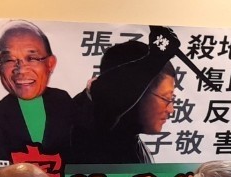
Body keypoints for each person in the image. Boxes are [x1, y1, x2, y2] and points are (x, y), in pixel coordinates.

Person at [71, 32, 179, 164]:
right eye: (166, 98)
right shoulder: (85, 128)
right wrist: (156, 56)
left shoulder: (134, 142)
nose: (171, 109)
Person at [0, 21, 75, 167]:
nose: (21, 70)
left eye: (32, 58)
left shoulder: (62, 101)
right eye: (9, 60)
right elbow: (5, 168)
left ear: (50, 63)